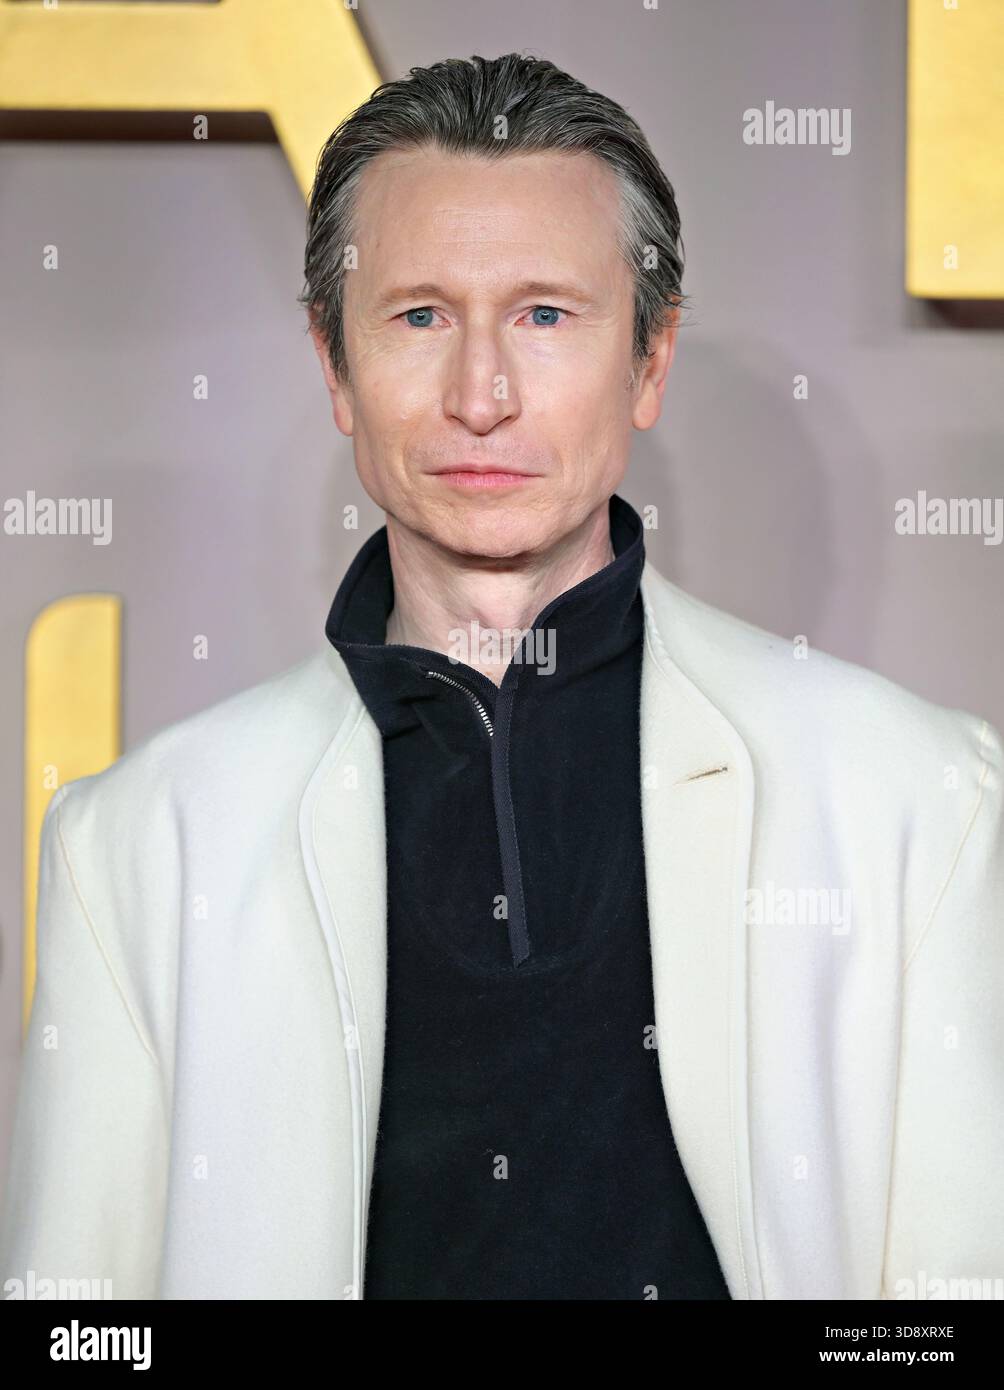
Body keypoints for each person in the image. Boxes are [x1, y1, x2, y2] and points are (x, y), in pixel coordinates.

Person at [2, 53, 1002, 1302]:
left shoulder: (916, 797)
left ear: (648, 360)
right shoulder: (137, 847)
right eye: (420, 316)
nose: (480, 396)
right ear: (334, 366)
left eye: (544, 315)